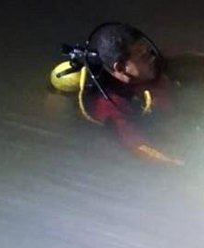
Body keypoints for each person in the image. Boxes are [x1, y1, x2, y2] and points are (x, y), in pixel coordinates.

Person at [78, 22, 183, 165]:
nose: (152, 58)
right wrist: (179, 164)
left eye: (148, 51)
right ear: (121, 67)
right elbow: (138, 146)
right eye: (143, 56)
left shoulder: (151, 64)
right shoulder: (110, 105)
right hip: (154, 126)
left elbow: (192, 63)